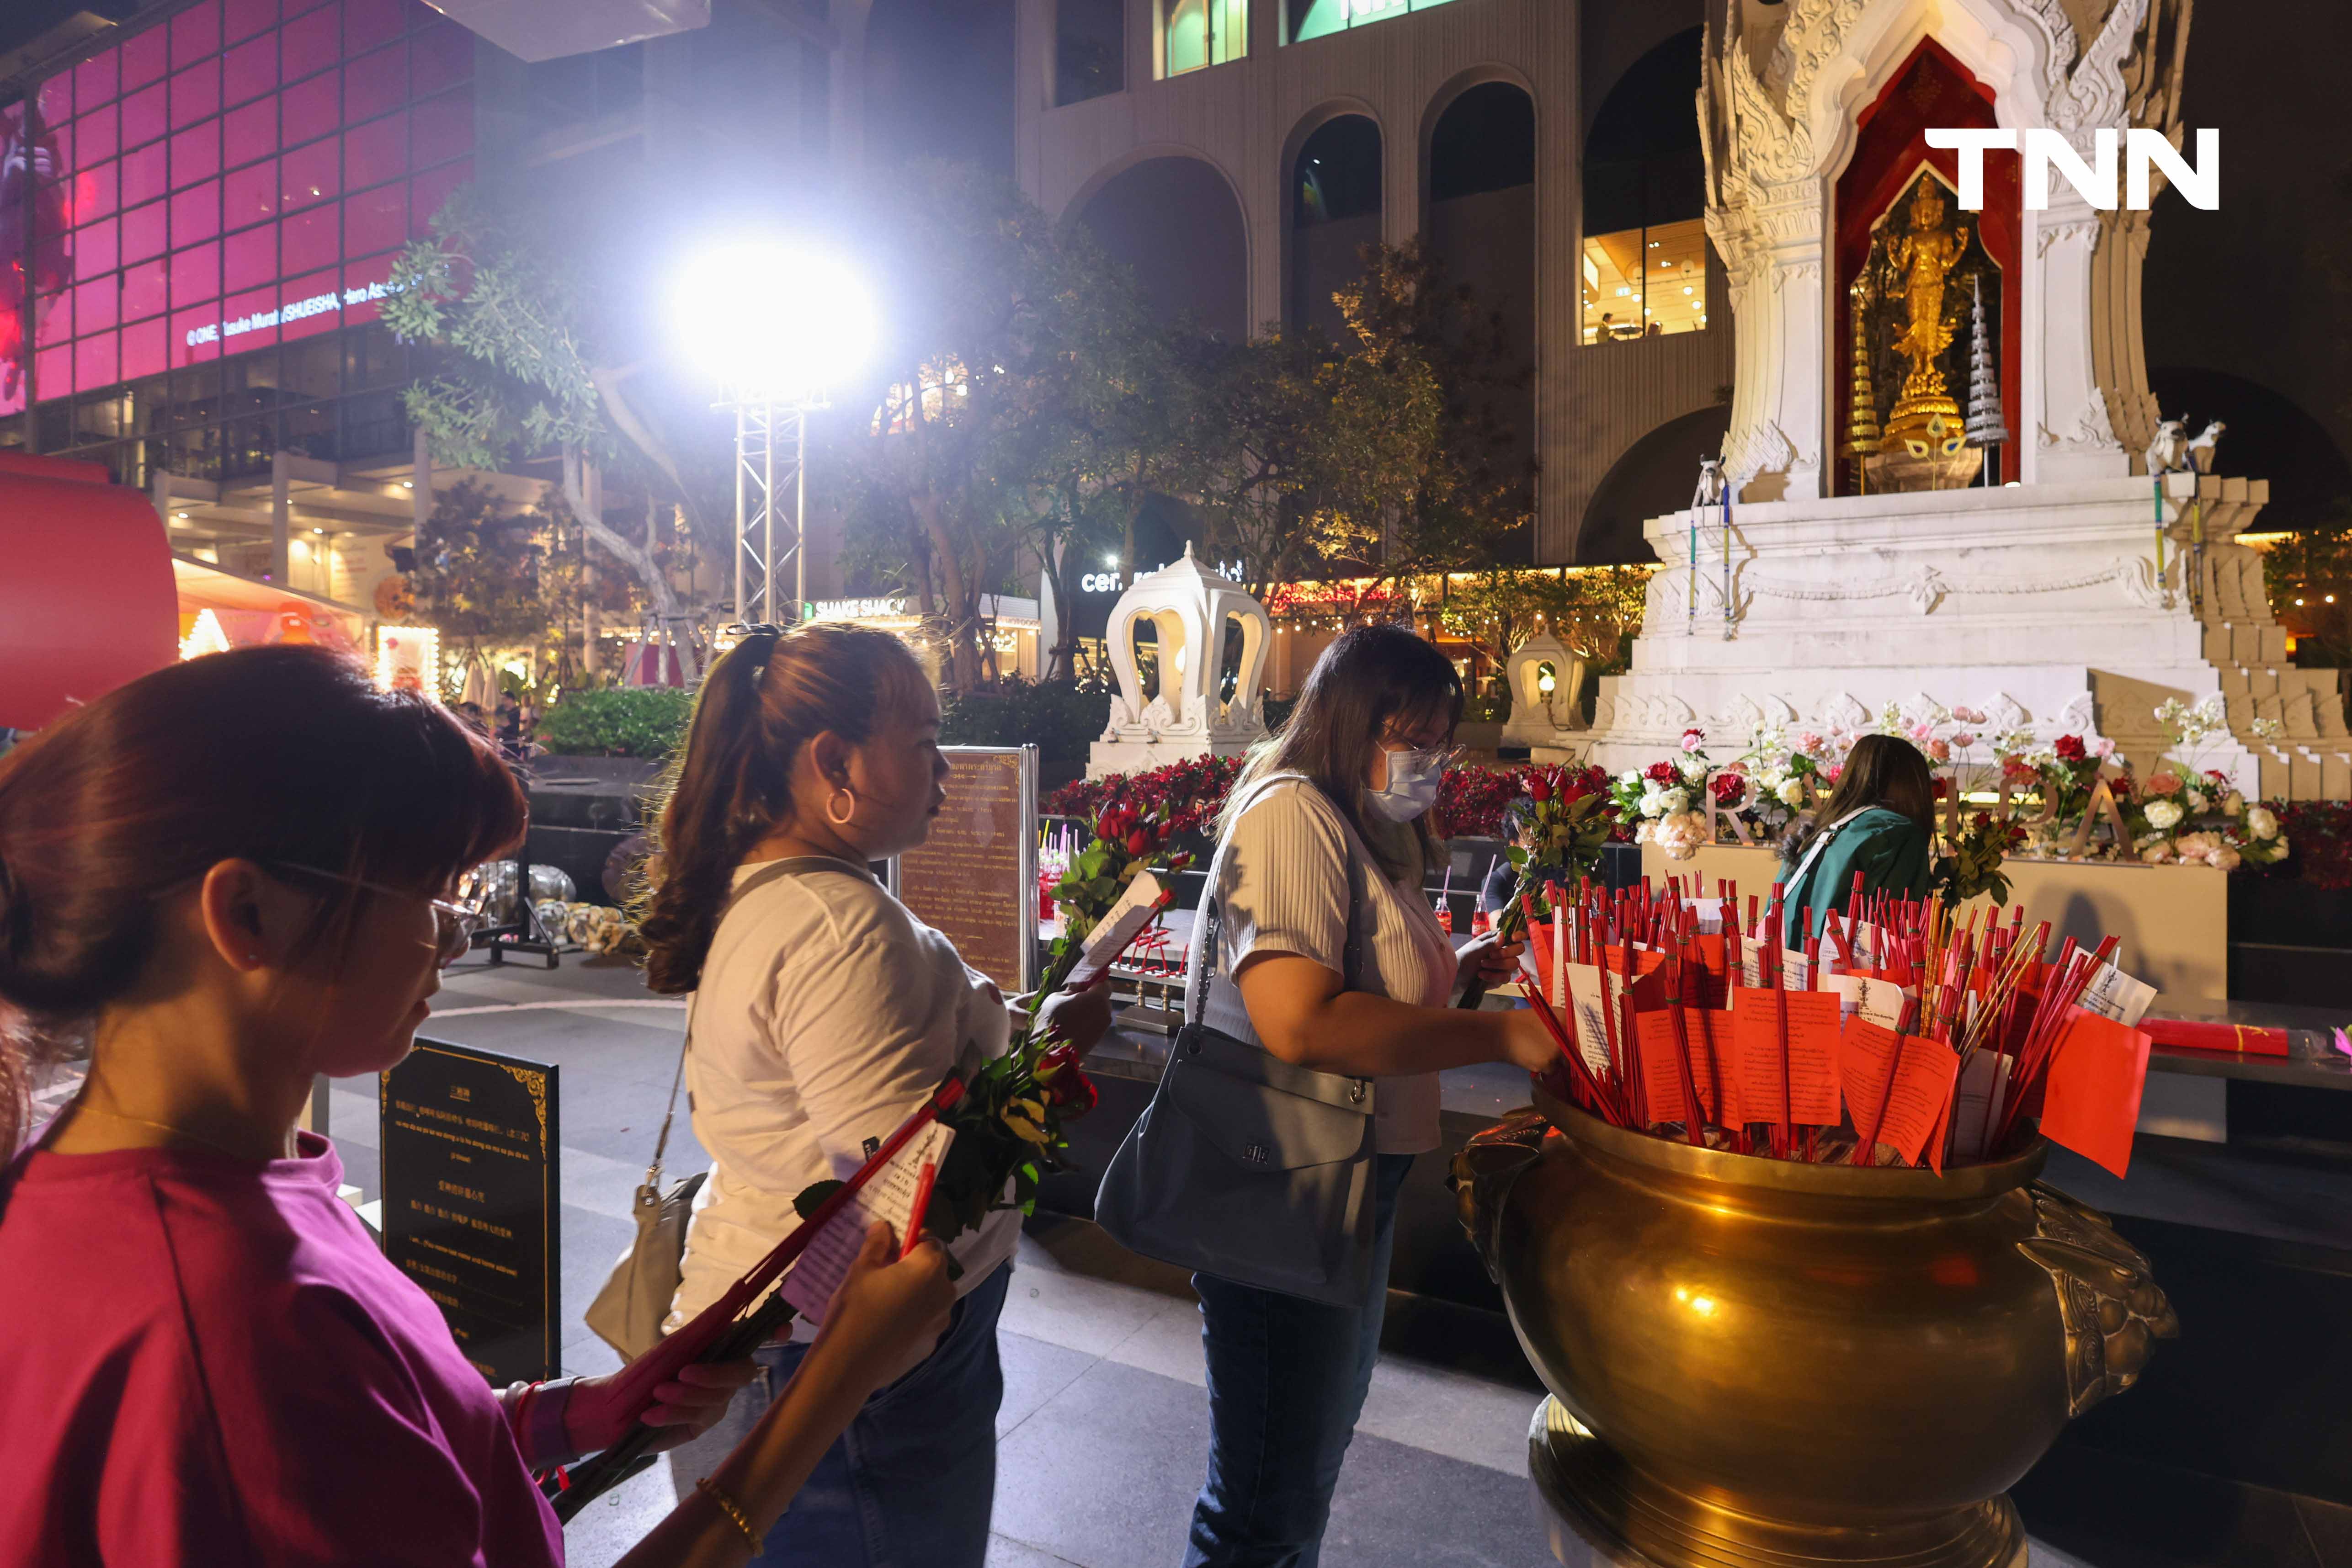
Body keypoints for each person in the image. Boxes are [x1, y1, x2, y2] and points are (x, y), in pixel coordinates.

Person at [0, 646, 958, 1568]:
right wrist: (832, 1387)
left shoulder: (176, 1180)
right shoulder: (228, 1325)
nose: (451, 939)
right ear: (247, 913)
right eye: (428, 892)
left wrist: (577, 1411)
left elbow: (372, 1439)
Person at [639, 621, 1115, 1568]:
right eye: (925, 742)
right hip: (850, 1381)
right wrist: (1054, 1051)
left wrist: (1019, 1029)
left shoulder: (782, 892)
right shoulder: (839, 923)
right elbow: (909, 1197)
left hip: (793, 1355)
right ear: (833, 761)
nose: (943, 768)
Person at [1166, 624, 1559, 1568]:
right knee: (1264, 1492)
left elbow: (1359, 985)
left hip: (1346, 1174)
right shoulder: (1289, 813)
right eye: (1412, 733)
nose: (1431, 757)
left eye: (1439, 737)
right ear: (1351, 721)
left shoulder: (1355, 826)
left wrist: (1455, 967)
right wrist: (1499, 1033)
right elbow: (1300, 1020)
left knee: (1301, 1457)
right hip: (1284, 1182)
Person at [1777, 732, 1937, 946]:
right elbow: (1892, 935)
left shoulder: (1814, 835)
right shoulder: (1898, 833)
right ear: (1913, 787)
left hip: (1783, 973)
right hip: (1842, 977)